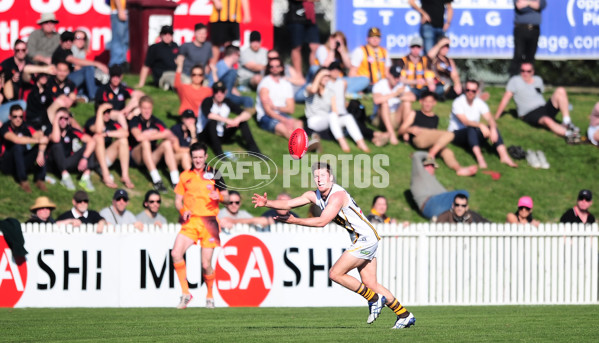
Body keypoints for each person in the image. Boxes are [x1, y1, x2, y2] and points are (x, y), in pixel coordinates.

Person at [252, 162, 416, 329]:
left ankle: (374, 299)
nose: (319, 179)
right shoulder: (314, 195)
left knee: (335, 273)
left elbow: (322, 222)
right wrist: (268, 203)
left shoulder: (337, 196)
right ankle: (404, 315)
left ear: (330, 177)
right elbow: (288, 204)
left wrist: (295, 220)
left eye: (323, 175)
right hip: (364, 237)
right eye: (316, 176)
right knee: (371, 284)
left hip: (365, 238)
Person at [173, 142, 229, 309]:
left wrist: (218, 196)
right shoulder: (184, 176)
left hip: (209, 221)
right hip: (191, 221)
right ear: (191, 157)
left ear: (206, 157)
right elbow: (177, 200)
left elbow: (227, 197)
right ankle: (185, 294)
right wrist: (183, 210)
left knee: (206, 264)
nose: (197, 160)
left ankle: (210, 296)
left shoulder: (214, 173)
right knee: (176, 253)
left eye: (200, 157)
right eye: (195, 157)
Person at [495, 62, 581, 143]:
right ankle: (569, 135)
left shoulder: (538, 80)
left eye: (528, 71)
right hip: (529, 113)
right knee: (547, 120)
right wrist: (496, 117)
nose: (525, 73)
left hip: (543, 108)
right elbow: (505, 99)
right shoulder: (515, 81)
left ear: (532, 72)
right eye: (523, 71)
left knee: (560, 90)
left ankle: (567, 122)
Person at [399, 92, 478, 177]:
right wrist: (410, 129)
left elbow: (433, 134)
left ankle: (459, 169)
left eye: (430, 102)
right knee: (450, 134)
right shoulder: (414, 113)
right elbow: (400, 130)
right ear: (421, 101)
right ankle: (431, 155)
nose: (428, 104)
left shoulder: (435, 118)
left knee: (447, 152)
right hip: (419, 137)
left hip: (429, 141)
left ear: (434, 103)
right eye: (426, 101)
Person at [449, 80, 517, 168]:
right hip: (456, 133)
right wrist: (480, 125)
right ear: (464, 90)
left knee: (491, 127)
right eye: (468, 90)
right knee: (471, 128)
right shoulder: (458, 102)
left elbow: (490, 118)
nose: (470, 93)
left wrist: (492, 128)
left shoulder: (479, 102)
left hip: (472, 133)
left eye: (473, 91)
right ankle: (480, 158)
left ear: (477, 92)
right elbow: (465, 122)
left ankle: (504, 156)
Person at [305, 67, 369, 152]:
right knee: (332, 115)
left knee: (348, 117)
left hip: (328, 119)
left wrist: (340, 120)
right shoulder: (309, 87)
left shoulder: (330, 92)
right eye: (324, 76)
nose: (327, 78)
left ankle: (361, 143)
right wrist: (321, 73)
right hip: (314, 121)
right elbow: (313, 90)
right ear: (318, 76)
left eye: (328, 76)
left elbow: (335, 110)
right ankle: (342, 142)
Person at [129, 95, 179, 192]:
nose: (147, 111)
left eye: (149, 108)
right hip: (136, 156)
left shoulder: (156, 121)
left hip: (151, 156)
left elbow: (170, 135)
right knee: (145, 143)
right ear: (140, 108)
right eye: (144, 108)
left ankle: (175, 181)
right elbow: (138, 137)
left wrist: (150, 134)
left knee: (167, 143)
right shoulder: (135, 120)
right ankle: (157, 180)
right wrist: (159, 134)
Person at [198, 81, 260, 158]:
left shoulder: (227, 102)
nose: (219, 94)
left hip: (220, 133)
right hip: (205, 135)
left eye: (222, 91)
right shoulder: (207, 101)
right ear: (213, 92)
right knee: (212, 122)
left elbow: (246, 114)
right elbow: (209, 115)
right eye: (216, 91)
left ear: (226, 92)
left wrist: (237, 120)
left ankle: (254, 150)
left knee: (242, 121)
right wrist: (227, 120)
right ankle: (219, 152)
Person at [47, 106, 97, 192]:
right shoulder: (50, 129)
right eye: (60, 118)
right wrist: (55, 119)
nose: (63, 121)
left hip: (66, 162)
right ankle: (65, 177)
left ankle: (85, 178)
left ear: (69, 120)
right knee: (57, 145)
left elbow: (92, 142)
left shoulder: (72, 131)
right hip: (53, 165)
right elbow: (56, 139)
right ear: (56, 119)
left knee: (89, 147)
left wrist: (84, 158)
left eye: (65, 118)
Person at [0, 104, 48, 192]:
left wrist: (40, 152)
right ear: (10, 117)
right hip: (7, 164)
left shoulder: (26, 126)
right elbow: (16, 139)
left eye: (20, 117)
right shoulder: (5, 127)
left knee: (41, 148)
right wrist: (38, 140)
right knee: (17, 146)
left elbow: (43, 138)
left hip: (21, 161)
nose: (18, 119)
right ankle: (23, 180)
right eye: (15, 117)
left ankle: (40, 179)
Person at [410, 150, 471, 219]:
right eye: (428, 165)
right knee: (463, 193)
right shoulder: (419, 176)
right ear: (423, 167)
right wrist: (429, 155)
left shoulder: (434, 180)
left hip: (440, 209)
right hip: (430, 203)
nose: (432, 167)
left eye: (433, 166)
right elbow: (416, 156)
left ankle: (442, 219)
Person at [85, 103, 132, 189]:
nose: (107, 114)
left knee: (123, 140)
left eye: (109, 112)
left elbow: (125, 133)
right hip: (92, 158)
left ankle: (125, 176)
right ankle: (105, 174)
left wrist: (107, 134)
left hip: (105, 156)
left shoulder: (111, 123)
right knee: (98, 137)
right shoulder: (92, 121)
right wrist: (100, 111)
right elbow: (98, 130)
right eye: (104, 112)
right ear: (98, 112)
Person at [255, 57, 303, 139]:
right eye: (271, 66)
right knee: (284, 128)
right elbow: (268, 111)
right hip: (265, 116)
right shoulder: (265, 83)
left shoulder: (286, 84)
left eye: (277, 66)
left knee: (298, 123)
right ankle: (302, 146)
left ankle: (303, 145)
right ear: (269, 68)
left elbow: (291, 109)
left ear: (281, 68)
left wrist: (275, 107)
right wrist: (284, 120)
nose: (274, 68)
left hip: (281, 114)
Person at [52, 31, 107, 99]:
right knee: (89, 68)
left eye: (70, 40)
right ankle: (93, 95)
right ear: (61, 41)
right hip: (61, 80)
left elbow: (74, 64)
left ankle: (100, 91)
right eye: (65, 40)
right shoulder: (61, 51)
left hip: (68, 79)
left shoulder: (70, 50)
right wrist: (97, 64)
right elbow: (74, 60)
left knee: (89, 75)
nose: (68, 42)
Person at [316, 31, 369, 97]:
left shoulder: (342, 53)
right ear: (331, 39)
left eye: (340, 41)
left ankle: (343, 92)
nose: (337, 44)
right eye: (336, 41)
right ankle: (342, 92)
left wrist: (342, 52)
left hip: (340, 79)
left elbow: (349, 66)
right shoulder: (322, 49)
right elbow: (325, 66)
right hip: (326, 79)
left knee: (365, 80)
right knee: (314, 68)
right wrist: (332, 50)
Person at [372, 65, 415, 146]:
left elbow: (413, 97)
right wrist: (395, 94)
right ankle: (391, 134)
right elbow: (377, 100)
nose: (396, 79)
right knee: (384, 104)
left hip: (395, 117)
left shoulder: (400, 85)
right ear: (389, 75)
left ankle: (405, 134)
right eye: (394, 77)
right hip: (380, 119)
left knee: (407, 102)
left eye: (398, 77)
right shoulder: (380, 85)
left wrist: (401, 96)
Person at [209, 0, 250, 70]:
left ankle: (226, 71)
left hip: (233, 16)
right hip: (219, 16)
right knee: (216, 46)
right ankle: (211, 72)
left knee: (229, 47)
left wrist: (247, 13)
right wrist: (216, 1)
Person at [509, 0, 547, 76]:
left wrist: (527, 3)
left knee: (530, 56)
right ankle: (514, 77)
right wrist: (533, 3)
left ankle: (529, 78)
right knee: (518, 55)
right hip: (521, 28)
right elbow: (520, 7)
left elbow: (541, 5)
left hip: (534, 29)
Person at [0, 39, 30, 122]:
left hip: (26, 102)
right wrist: (10, 79)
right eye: (18, 50)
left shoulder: (30, 64)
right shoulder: (6, 65)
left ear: (26, 50)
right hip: (8, 104)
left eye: (23, 50)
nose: (20, 52)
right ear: (14, 50)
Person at [286, 0, 318, 75]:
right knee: (297, 47)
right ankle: (298, 75)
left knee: (315, 47)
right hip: (295, 18)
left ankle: (315, 75)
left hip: (310, 18)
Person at [108, 0, 129, 69]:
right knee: (117, 41)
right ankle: (114, 65)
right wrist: (120, 10)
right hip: (119, 11)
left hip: (126, 11)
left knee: (125, 41)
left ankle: (121, 65)